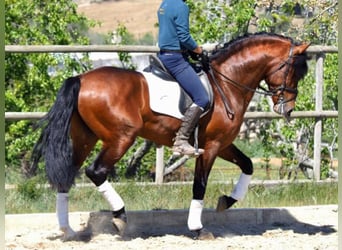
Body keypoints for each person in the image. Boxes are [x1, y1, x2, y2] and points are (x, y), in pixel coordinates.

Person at [157, 0, 209, 156]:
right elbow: (184, 37)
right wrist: (199, 50)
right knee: (202, 98)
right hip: (175, 59)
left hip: (163, 55)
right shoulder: (181, 6)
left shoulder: (164, 4)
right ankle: (181, 141)